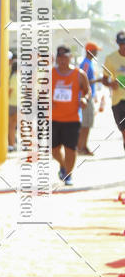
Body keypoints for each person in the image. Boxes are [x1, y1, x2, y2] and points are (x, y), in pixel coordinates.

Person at [51, 45, 91, 186]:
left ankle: (68, 174)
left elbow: (87, 90)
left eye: (65, 57)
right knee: (54, 150)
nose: (62, 60)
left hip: (72, 118)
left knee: (70, 149)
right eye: (60, 57)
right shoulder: (51, 74)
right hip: (53, 119)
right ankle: (63, 166)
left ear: (70, 57)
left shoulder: (79, 74)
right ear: (57, 58)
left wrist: (85, 98)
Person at [102, 31, 125, 154]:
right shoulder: (110, 59)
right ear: (117, 43)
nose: (124, 46)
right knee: (124, 131)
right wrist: (111, 84)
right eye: (121, 43)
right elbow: (104, 79)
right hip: (118, 101)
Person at [78, 42, 101, 155]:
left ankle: (83, 146)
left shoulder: (88, 63)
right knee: (86, 123)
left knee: (88, 123)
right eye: (95, 50)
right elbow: (83, 81)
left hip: (87, 96)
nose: (97, 53)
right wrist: (98, 80)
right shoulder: (86, 64)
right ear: (90, 51)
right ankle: (81, 147)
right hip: (85, 97)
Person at [8, 53, 18, 151]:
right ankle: (13, 143)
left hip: (11, 104)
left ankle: (11, 144)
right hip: (19, 104)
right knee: (14, 126)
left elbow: (9, 91)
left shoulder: (14, 77)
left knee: (10, 126)